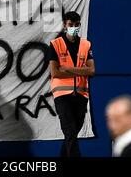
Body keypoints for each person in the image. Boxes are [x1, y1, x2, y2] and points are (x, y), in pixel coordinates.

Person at [48, 11, 95, 157]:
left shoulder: (86, 44)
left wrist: (68, 69)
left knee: (72, 134)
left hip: (81, 94)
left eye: (76, 25)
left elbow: (92, 70)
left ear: (79, 25)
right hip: (62, 95)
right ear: (64, 25)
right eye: (70, 25)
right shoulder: (55, 45)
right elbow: (55, 72)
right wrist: (82, 70)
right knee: (70, 132)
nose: (73, 27)